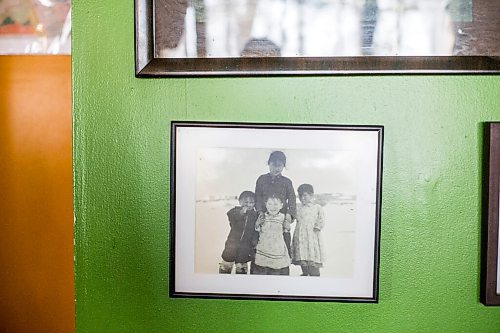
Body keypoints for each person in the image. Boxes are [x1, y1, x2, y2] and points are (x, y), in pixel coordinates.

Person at [254, 151, 296, 257]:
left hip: (281, 219)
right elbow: (257, 197)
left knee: (282, 243)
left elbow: (292, 199)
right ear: (269, 164)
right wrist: (259, 212)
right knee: (263, 243)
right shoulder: (262, 179)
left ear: (283, 166)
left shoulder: (287, 182)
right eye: (274, 165)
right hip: (265, 217)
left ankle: (283, 268)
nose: (276, 168)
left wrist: (289, 216)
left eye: (280, 165)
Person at [219, 191, 259, 274]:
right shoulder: (234, 211)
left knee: (241, 266)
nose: (248, 205)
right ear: (240, 202)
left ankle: (241, 280)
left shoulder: (255, 215)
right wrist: (241, 213)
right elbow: (232, 219)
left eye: (251, 202)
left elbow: (256, 231)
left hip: (246, 247)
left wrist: (255, 242)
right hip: (231, 245)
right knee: (226, 263)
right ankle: (223, 279)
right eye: (246, 202)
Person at [292, 184, 325, 277]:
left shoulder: (317, 207)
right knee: (302, 255)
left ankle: (315, 275)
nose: (302, 198)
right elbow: (292, 218)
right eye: (300, 196)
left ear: (311, 195)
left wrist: (317, 226)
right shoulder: (298, 208)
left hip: (312, 236)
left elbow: (321, 219)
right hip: (300, 236)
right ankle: (305, 272)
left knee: (312, 255)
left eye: (305, 195)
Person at [252, 196, 291, 275]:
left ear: (281, 205)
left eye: (276, 204)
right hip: (264, 247)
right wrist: (257, 224)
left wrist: (288, 226)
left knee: (275, 269)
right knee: (262, 266)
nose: (272, 207)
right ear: (266, 204)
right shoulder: (263, 216)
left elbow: (287, 231)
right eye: (270, 204)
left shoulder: (283, 217)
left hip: (277, 248)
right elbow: (257, 229)